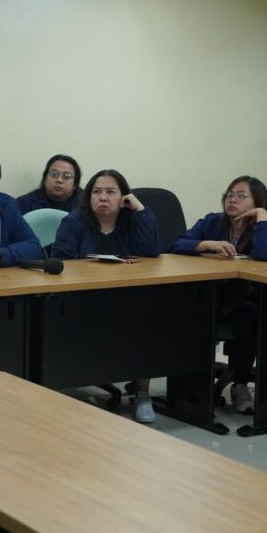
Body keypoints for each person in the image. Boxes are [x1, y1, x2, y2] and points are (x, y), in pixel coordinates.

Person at [168, 176, 267, 417]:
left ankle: (240, 384)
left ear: (258, 202)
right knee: (187, 308)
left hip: (245, 298)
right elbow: (175, 245)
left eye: (241, 196)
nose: (232, 200)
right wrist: (206, 245)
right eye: (229, 194)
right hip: (211, 295)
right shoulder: (212, 222)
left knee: (249, 314)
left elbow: (266, 254)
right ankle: (191, 386)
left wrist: (261, 216)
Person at [52, 169, 161, 423]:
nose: (103, 197)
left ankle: (142, 394)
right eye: (97, 192)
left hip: (126, 298)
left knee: (147, 319)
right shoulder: (74, 222)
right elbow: (62, 261)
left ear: (123, 197)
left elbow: (152, 251)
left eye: (111, 192)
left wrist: (140, 210)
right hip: (82, 299)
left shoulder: (131, 221)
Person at [16, 154, 83, 215]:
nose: (59, 180)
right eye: (54, 174)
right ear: (45, 179)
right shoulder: (25, 203)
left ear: (75, 184)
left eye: (66, 176)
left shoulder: (85, 203)